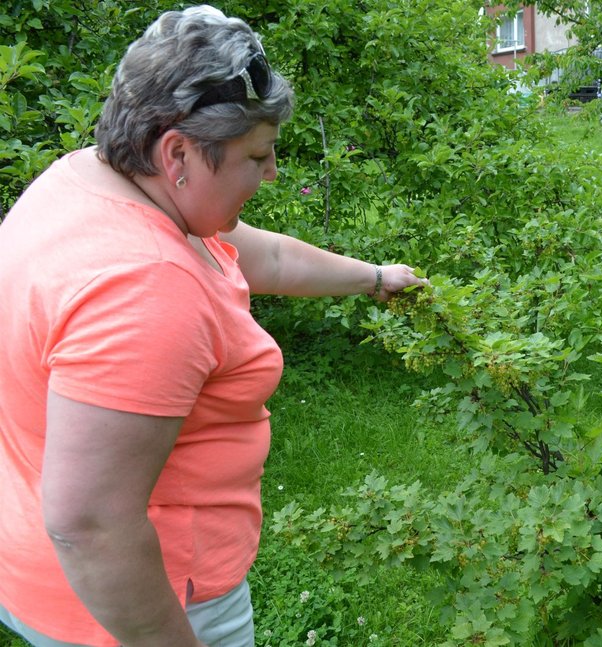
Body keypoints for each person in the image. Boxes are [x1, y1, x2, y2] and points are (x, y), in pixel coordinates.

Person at [0, 6, 424, 646]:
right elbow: (90, 523)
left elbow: (264, 255)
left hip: (35, 564)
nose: (273, 174)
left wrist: (373, 276)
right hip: (147, 601)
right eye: (257, 156)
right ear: (178, 154)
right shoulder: (146, 285)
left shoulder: (88, 181)